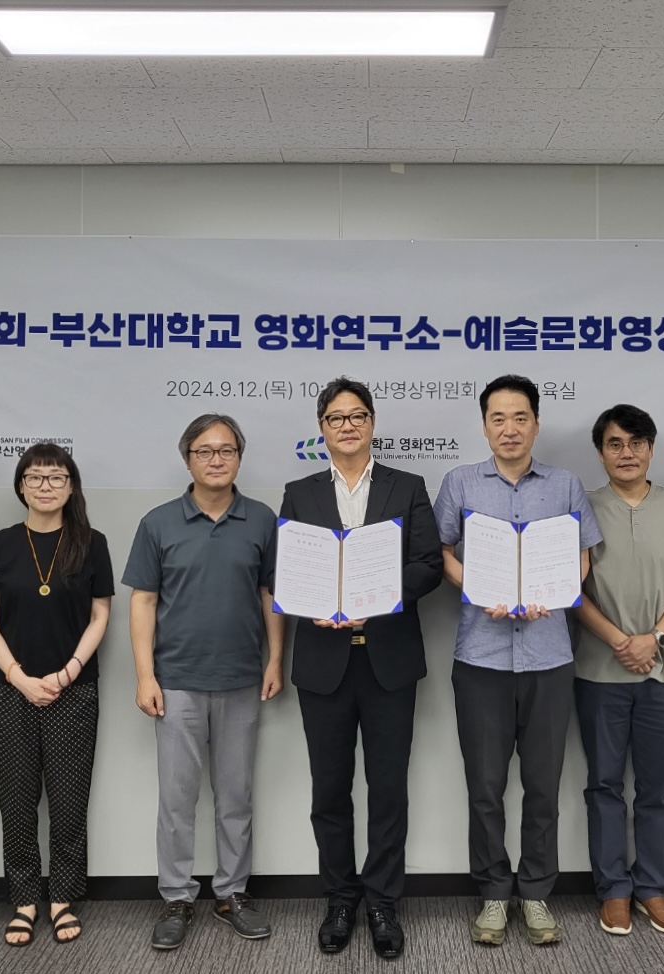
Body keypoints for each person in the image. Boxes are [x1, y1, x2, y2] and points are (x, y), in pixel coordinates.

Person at [433, 374, 602, 947]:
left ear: (536, 423)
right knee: (484, 786)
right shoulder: (460, 482)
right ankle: (492, 893)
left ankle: (535, 893)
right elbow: (442, 551)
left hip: (548, 656)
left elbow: (582, 556)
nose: (509, 429)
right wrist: (477, 588)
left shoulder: (565, 484)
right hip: (480, 655)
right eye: (498, 419)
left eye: (520, 418)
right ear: (484, 426)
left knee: (542, 785)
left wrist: (555, 593)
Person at [279, 377, 443, 959]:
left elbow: (427, 565)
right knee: (329, 789)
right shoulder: (299, 493)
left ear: (372, 423)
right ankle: (340, 897)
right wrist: (311, 603)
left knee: (388, 788)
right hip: (322, 662)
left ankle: (382, 901)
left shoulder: (408, 486)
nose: (346, 426)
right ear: (321, 428)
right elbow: (285, 572)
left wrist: (376, 597)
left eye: (356, 416)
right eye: (335, 418)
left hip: (388, 661)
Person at [122, 414, 283, 950]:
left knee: (235, 796)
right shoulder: (159, 523)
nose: (217, 459)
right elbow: (143, 601)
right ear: (187, 458)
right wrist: (145, 675)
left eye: (227, 450)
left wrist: (275, 660)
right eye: (205, 451)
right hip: (176, 683)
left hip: (241, 678)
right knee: (177, 799)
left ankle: (232, 892)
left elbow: (270, 595)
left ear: (240, 456)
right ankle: (176, 896)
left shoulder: (262, 520)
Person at [574, 404, 664, 938]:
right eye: (614, 444)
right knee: (604, 785)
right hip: (599, 671)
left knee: (657, 788)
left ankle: (653, 887)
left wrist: (653, 638)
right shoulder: (581, 507)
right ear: (600, 452)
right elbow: (569, 588)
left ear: (651, 449)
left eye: (636, 443)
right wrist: (617, 640)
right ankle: (613, 889)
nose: (626, 453)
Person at [0, 443, 113, 946]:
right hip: (11, 690)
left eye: (56, 477)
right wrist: (18, 677)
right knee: (15, 798)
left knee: (69, 799)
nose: (45, 486)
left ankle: (62, 898)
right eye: (34, 477)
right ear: (21, 486)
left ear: (71, 487)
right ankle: (25, 900)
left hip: (73, 689)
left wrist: (68, 671)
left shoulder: (91, 543)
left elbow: (100, 615)